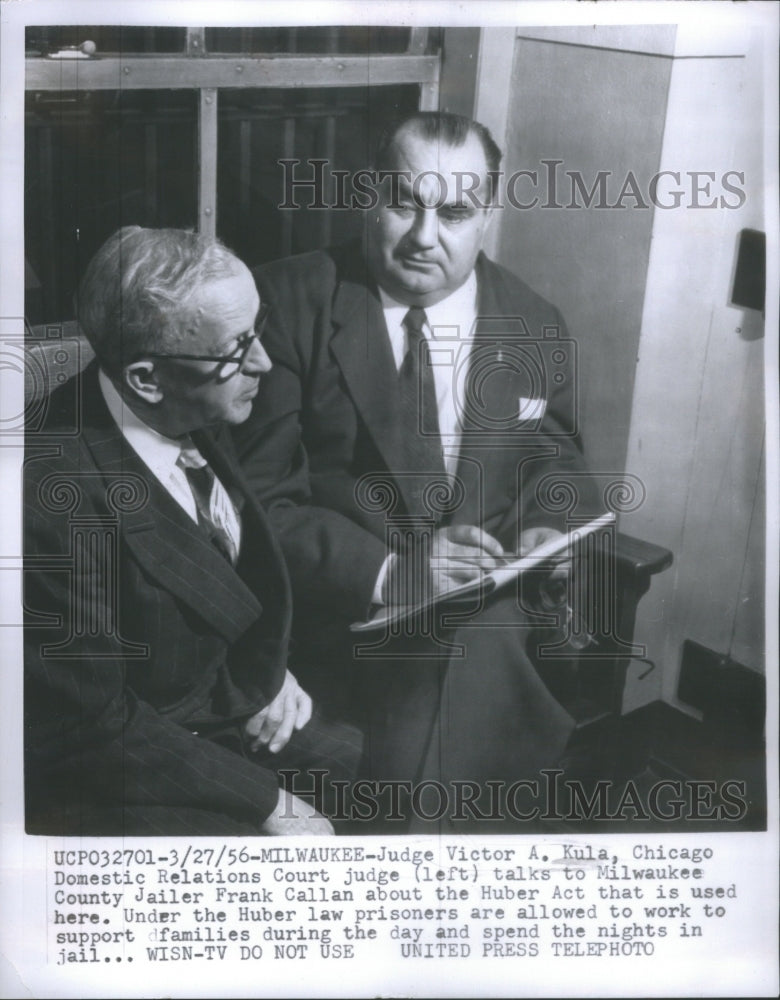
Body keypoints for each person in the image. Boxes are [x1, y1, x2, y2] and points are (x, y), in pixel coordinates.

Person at [233, 112, 600, 830]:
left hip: (488, 606)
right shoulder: (287, 303)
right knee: (461, 652)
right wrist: (397, 573)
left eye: (455, 212)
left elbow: (556, 459)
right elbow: (256, 501)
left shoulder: (534, 321)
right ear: (369, 195)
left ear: (488, 216)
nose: (423, 236)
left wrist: (547, 529)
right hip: (341, 612)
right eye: (404, 201)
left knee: (466, 637)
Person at [24, 226, 361, 836]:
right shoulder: (52, 498)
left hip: (218, 702)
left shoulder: (190, 397)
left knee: (384, 766)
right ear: (147, 379)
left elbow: (227, 571)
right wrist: (268, 803)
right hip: (124, 768)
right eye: (238, 349)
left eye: (259, 330)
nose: (263, 361)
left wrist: (269, 668)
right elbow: (90, 729)